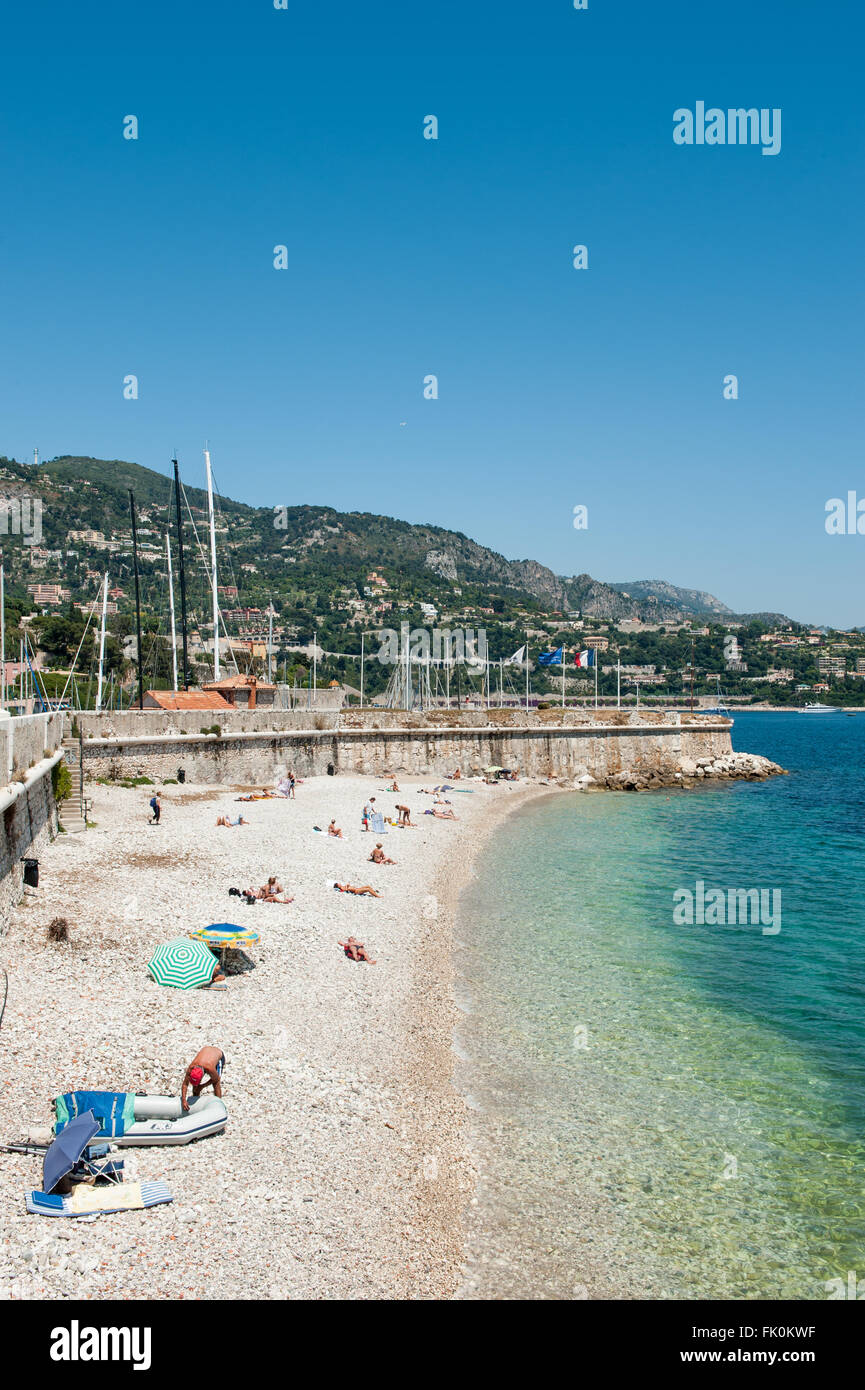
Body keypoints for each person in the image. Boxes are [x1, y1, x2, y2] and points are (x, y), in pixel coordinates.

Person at [181, 1046, 226, 1111]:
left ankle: (218, 1106)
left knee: (216, 1084)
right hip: (206, 1052)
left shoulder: (209, 1068)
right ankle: (195, 1103)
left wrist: (202, 1086)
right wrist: (184, 1100)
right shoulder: (191, 1067)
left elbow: (216, 1079)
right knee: (196, 1087)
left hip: (218, 1055)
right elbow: (185, 1084)